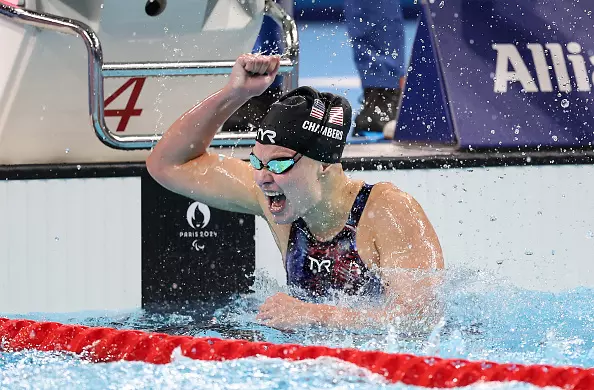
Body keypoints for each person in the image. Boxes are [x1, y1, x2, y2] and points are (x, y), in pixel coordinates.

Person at [146, 54, 444, 330]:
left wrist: (314, 315)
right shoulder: (274, 197)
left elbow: (420, 321)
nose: (262, 178)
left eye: (279, 164)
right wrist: (236, 94)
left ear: (324, 165)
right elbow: (167, 165)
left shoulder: (388, 211)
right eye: (256, 162)